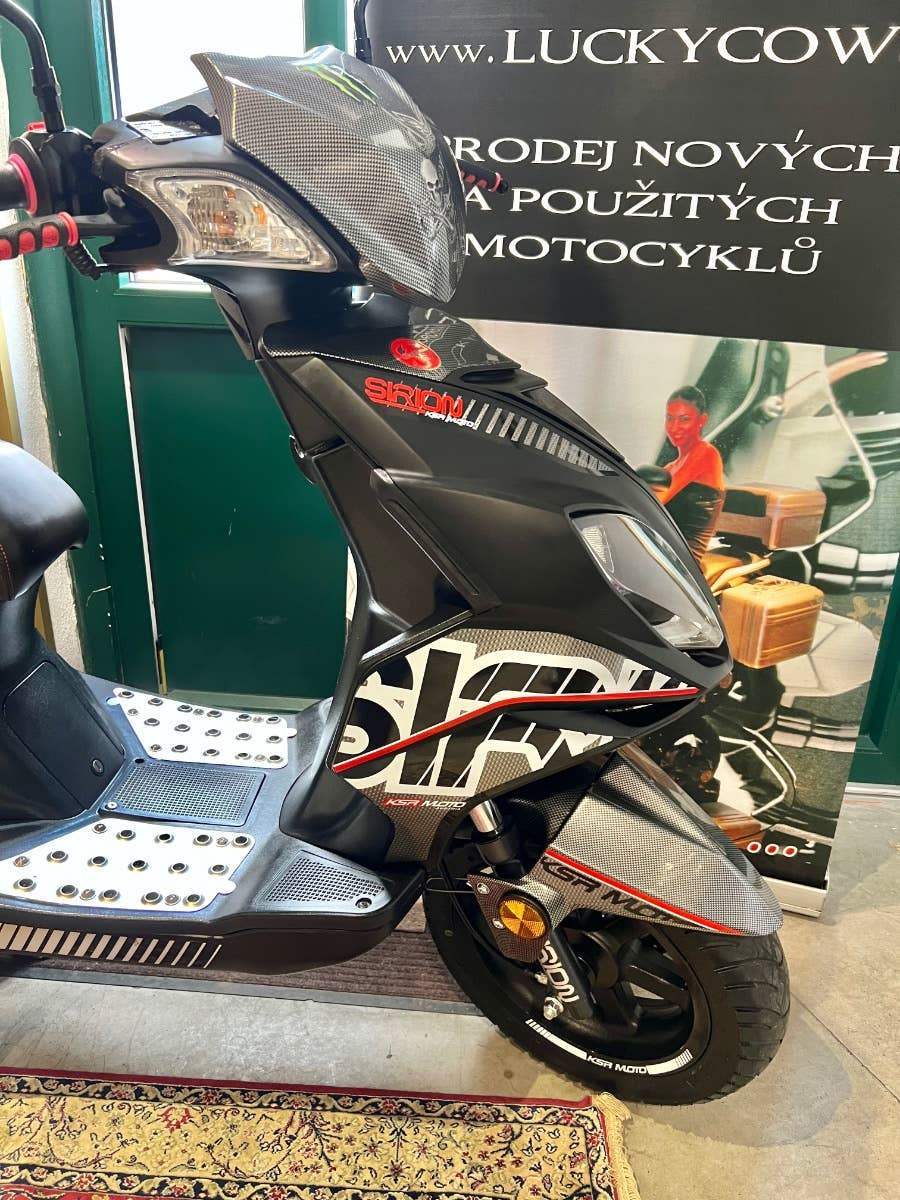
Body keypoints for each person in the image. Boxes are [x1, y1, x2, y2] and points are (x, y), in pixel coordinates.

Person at [657, 386, 725, 560]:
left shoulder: (706, 453)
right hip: (662, 552)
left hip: (685, 562)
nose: (674, 427)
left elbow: (654, 503)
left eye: (684, 419)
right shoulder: (669, 467)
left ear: (702, 420)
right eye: (669, 418)